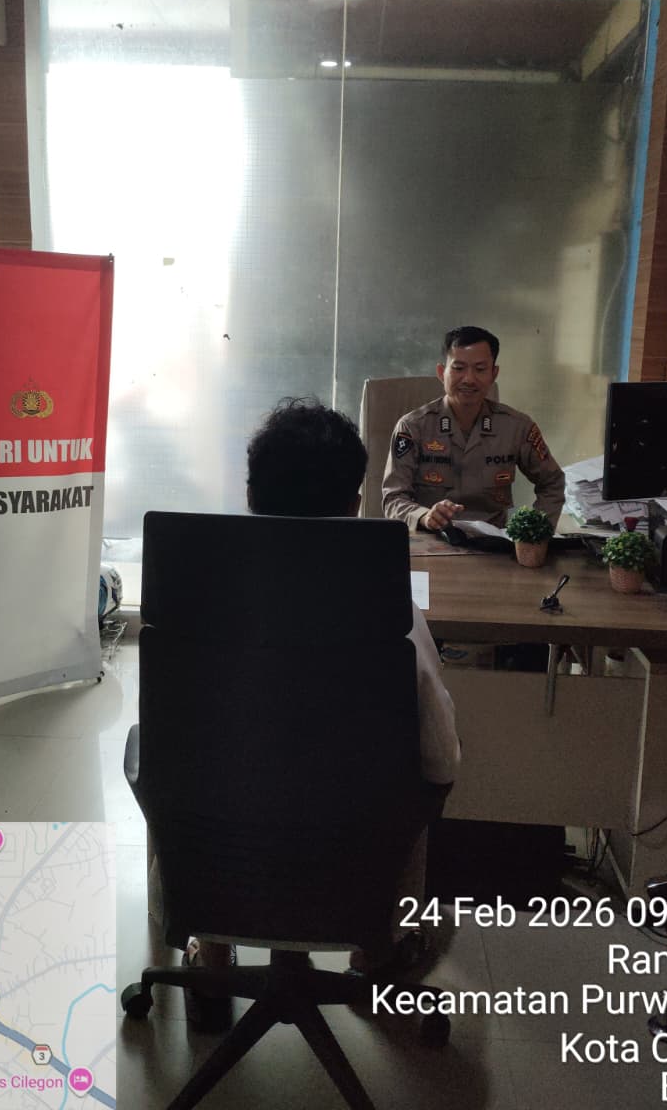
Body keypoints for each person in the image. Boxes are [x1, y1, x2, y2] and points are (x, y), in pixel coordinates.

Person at [183, 398, 460, 1026]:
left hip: (223, 850)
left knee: (175, 758)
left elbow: (173, 738)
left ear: (250, 494)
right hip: (349, 859)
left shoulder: (193, 595)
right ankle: (375, 954)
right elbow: (442, 761)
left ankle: (212, 956)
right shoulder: (389, 608)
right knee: (422, 775)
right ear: (355, 502)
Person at [382, 325, 566, 533]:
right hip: (431, 539)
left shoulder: (517, 427)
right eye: (459, 368)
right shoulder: (413, 427)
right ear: (442, 372)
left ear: (494, 374)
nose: (469, 379)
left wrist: (534, 533)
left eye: (480, 369)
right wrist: (424, 516)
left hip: (493, 543)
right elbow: (393, 498)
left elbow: (553, 482)